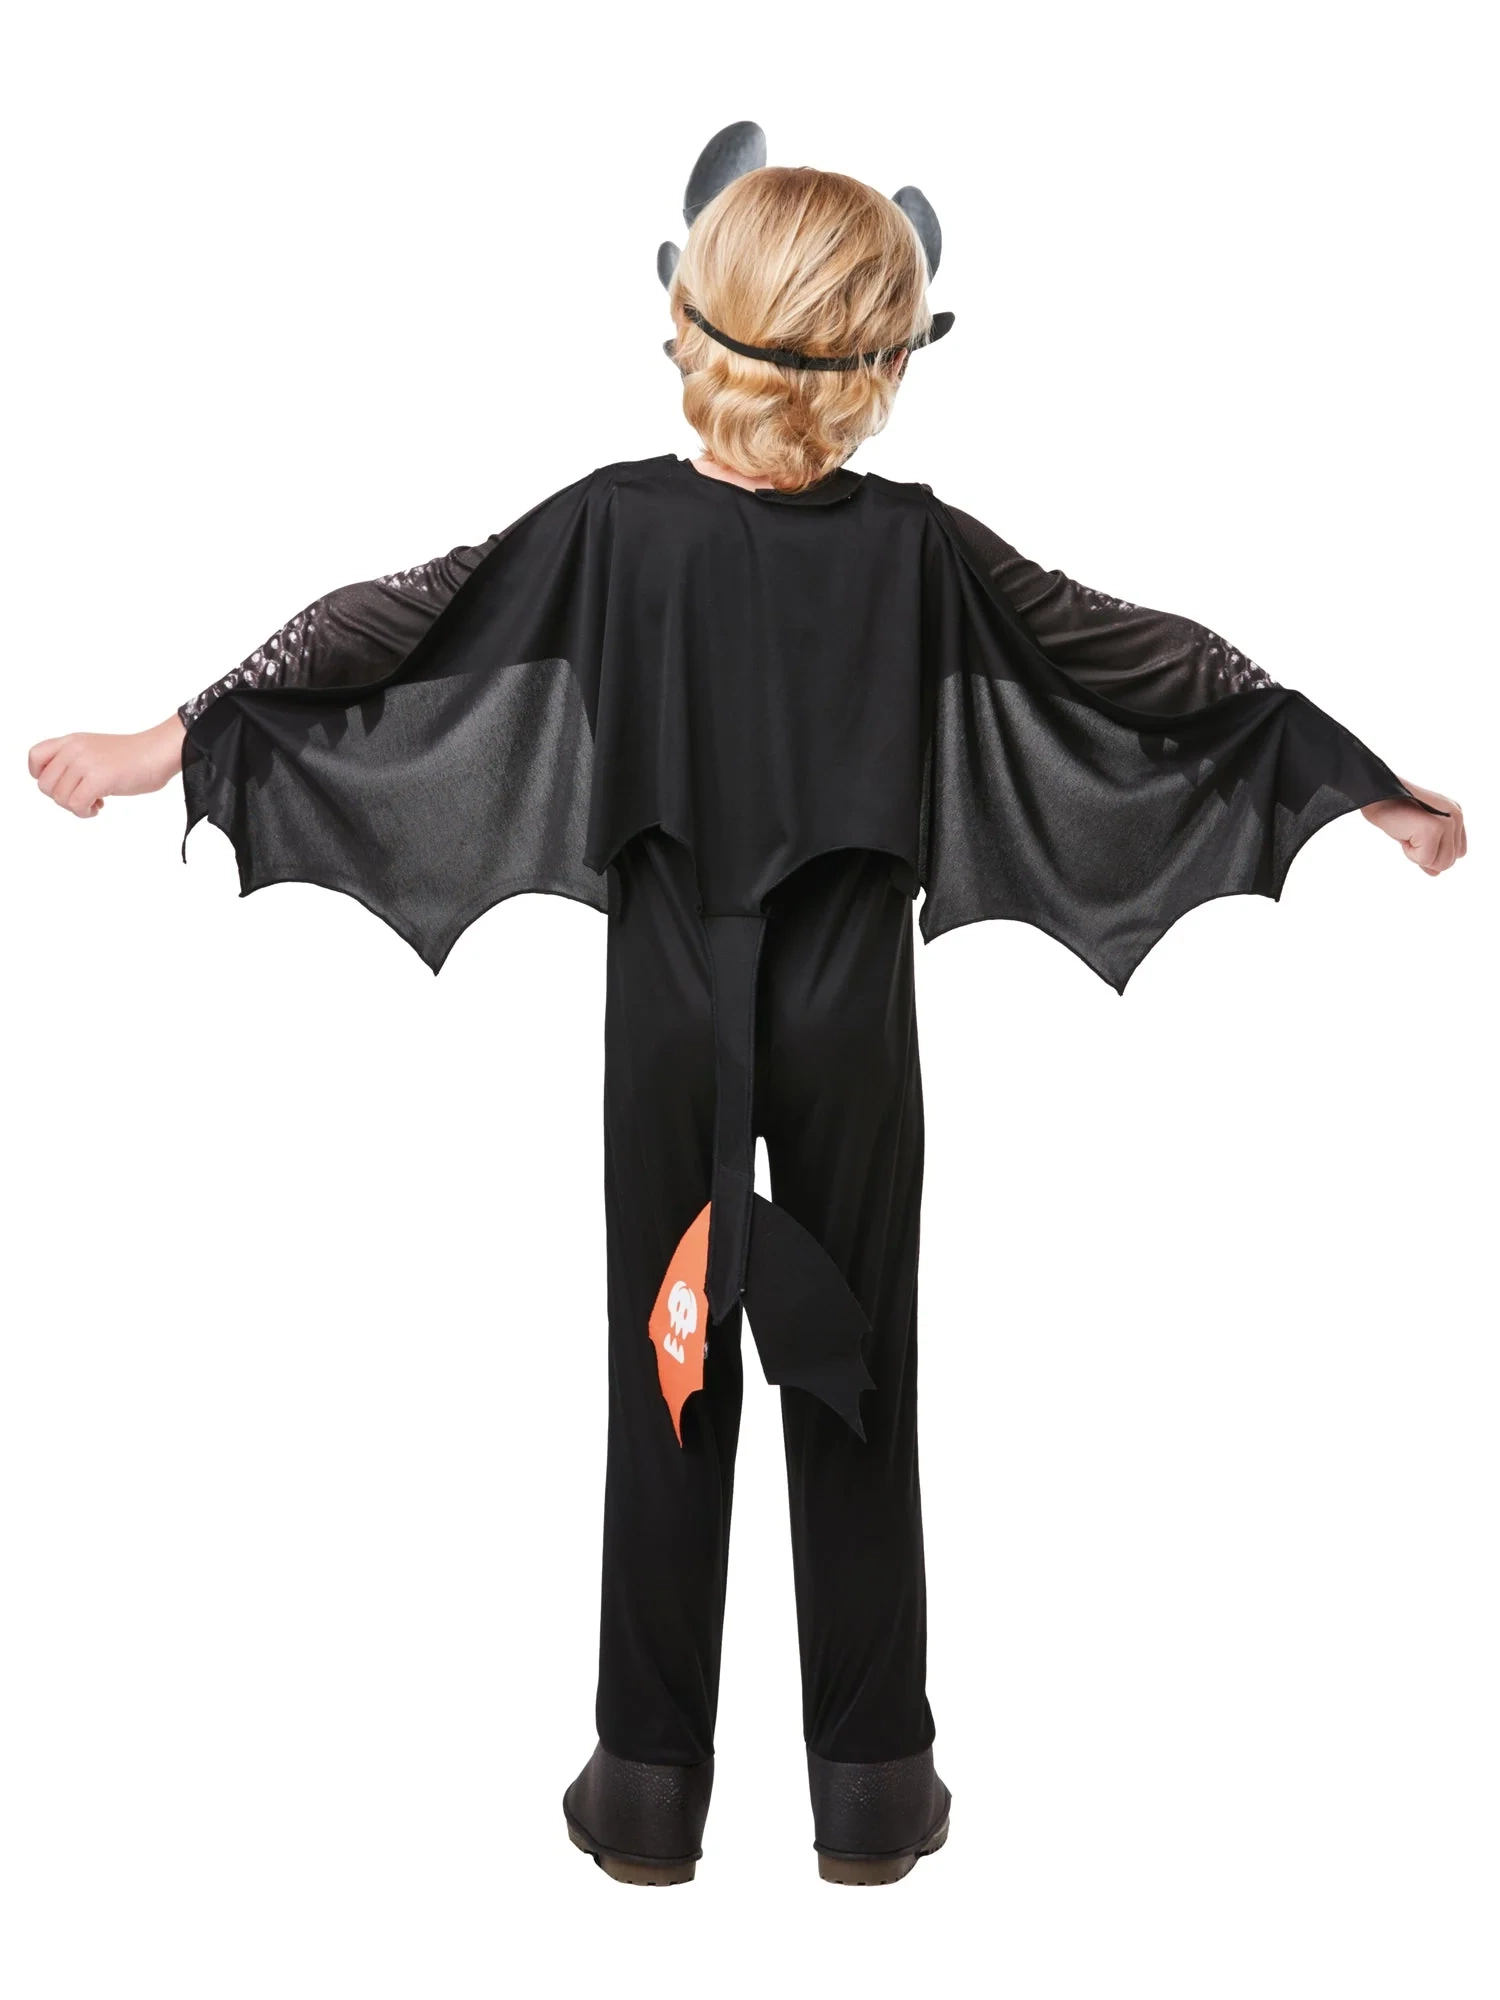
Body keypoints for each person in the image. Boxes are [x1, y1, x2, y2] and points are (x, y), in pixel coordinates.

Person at [26, 133, 1466, 1889]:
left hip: (669, 1006)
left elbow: (397, 625)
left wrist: (174, 734)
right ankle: (874, 1787)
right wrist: (1350, 776)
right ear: (883, 363)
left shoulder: (610, 528)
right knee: (859, 1378)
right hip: (852, 1015)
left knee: (667, 1372)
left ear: (689, 321)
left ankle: (647, 1788)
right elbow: (1135, 657)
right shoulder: (921, 550)